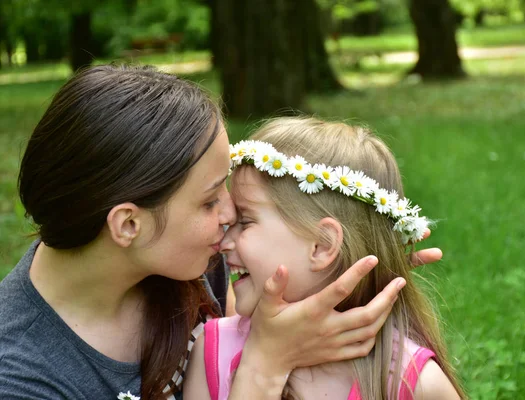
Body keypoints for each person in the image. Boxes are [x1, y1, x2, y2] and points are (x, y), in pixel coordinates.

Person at [0, 65, 443, 400]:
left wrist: (351, 270)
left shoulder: (193, 256)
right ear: (128, 225)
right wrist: (265, 365)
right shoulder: (21, 376)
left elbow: (251, 319)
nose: (229, 215)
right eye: (210, 200)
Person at [184, 117, 464, 399]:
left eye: (244, 221)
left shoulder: (411, 382)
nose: (224, 241)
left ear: (322, 245)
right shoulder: (212, 352)